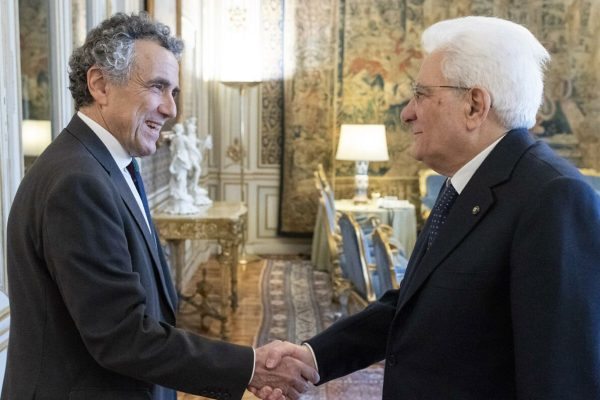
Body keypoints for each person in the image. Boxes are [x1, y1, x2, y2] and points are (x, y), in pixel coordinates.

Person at [259, 16, 600, 399]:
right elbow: (411, 307)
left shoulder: (554, 197)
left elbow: (562, 380)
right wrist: (312, 357)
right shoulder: (465, 180)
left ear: (474, 105)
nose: (406, 112)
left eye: (421, 94)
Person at [2, 13, 317, 400]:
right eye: (158, 87)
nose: (170, 109)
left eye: (174, 93)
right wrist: (249, 367)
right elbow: (122, 337)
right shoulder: (77, 181)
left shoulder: (107, 164)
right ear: (100, 84)